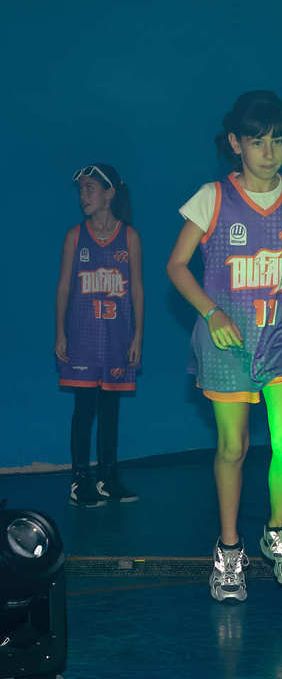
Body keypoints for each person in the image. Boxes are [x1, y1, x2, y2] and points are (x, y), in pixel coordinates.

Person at [167, 91, 282, 602]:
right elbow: (176, 266)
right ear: (236, 143)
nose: (269, 152)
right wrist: (210, 312)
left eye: (279, 140)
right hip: (229, 339)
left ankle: (278, 532)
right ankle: (230, 549)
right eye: (258, 142)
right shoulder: (212, 197)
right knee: (233, 447)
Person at [55, 163, 144, 507]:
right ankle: (80, 480)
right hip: (83, 335)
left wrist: (137, 336)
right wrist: (60, 332)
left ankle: (108, 477)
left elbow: (137, 289)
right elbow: (64, 288)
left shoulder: (129, 237)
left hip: (117, 336)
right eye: (80, 190)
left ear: (109, 193)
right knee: (84, 408)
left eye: (89, 188)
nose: (83, 196)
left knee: (110, 409)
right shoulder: (75, 236)